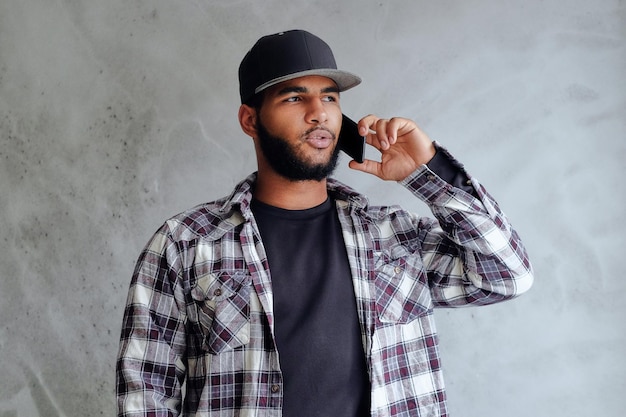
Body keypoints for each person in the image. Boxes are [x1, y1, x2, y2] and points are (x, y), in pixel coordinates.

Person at [116, 29, 534, 417]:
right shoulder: (185, 243)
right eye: (294, 98)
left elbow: (506, 276)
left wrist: (426, 171)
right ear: (250, 120)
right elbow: (144, 393)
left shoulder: (394, 237)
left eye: (330, 98)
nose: (320, 113)